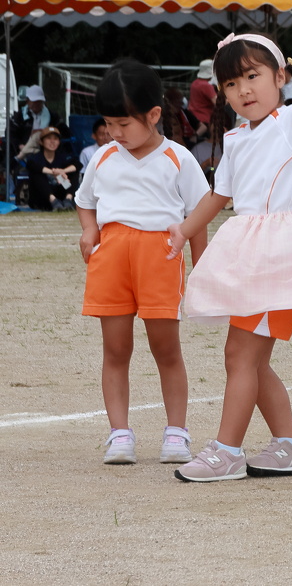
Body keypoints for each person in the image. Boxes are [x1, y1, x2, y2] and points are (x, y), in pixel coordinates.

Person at [166, 33, 292, 482]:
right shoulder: (236, 138)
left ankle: (227, 451)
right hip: (251, 256)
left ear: (280, 77)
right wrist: (184, 230)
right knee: (250, 359)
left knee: (240, 355)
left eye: (251, 76)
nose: (243, 90)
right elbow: (218, 195)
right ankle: (289, 445)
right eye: (230, 83)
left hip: (282, 257)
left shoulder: (290, 121)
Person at [74, 59, 210, 465]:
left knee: (166, 349)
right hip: (111, 259)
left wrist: (201, 265)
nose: (114, 133)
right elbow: (85, 202)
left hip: (160, 258)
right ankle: (119, 433)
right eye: (108, 123)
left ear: (153, 115)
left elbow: (198, 214)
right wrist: (89, 230)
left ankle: (176, 433)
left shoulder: (179, 158)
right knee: (115, 349)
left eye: (123, 124)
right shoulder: (102, 158)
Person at [26, 127, 77, 210]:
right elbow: (32, 165)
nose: (52, 141)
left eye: (55, 139)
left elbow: (78, 165)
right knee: (37, 174)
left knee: (73, 172)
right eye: (49, 138)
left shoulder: (62, 156)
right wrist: (55, 172)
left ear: (59, 142)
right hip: (42, 199)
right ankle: (53, 201)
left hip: (61, 196)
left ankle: (68, 200)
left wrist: (63, 171)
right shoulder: (35, 158)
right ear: (41, 142)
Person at [12, 84, 66, 159]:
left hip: (46, 148)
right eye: (34, 101)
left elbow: (63, 131)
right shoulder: (19, 116)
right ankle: (24, 152)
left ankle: (23, 153)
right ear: (27, 101)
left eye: (39, 101)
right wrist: (20, 145)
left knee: (38, 134)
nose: (37, 104)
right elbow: (11, 134)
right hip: (25, 146)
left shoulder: (52, 116)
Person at [187, 59, 217, 141]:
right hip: (205, 120)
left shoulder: (194, 83)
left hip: (194, 119)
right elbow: (217, 103)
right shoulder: (207, 86)